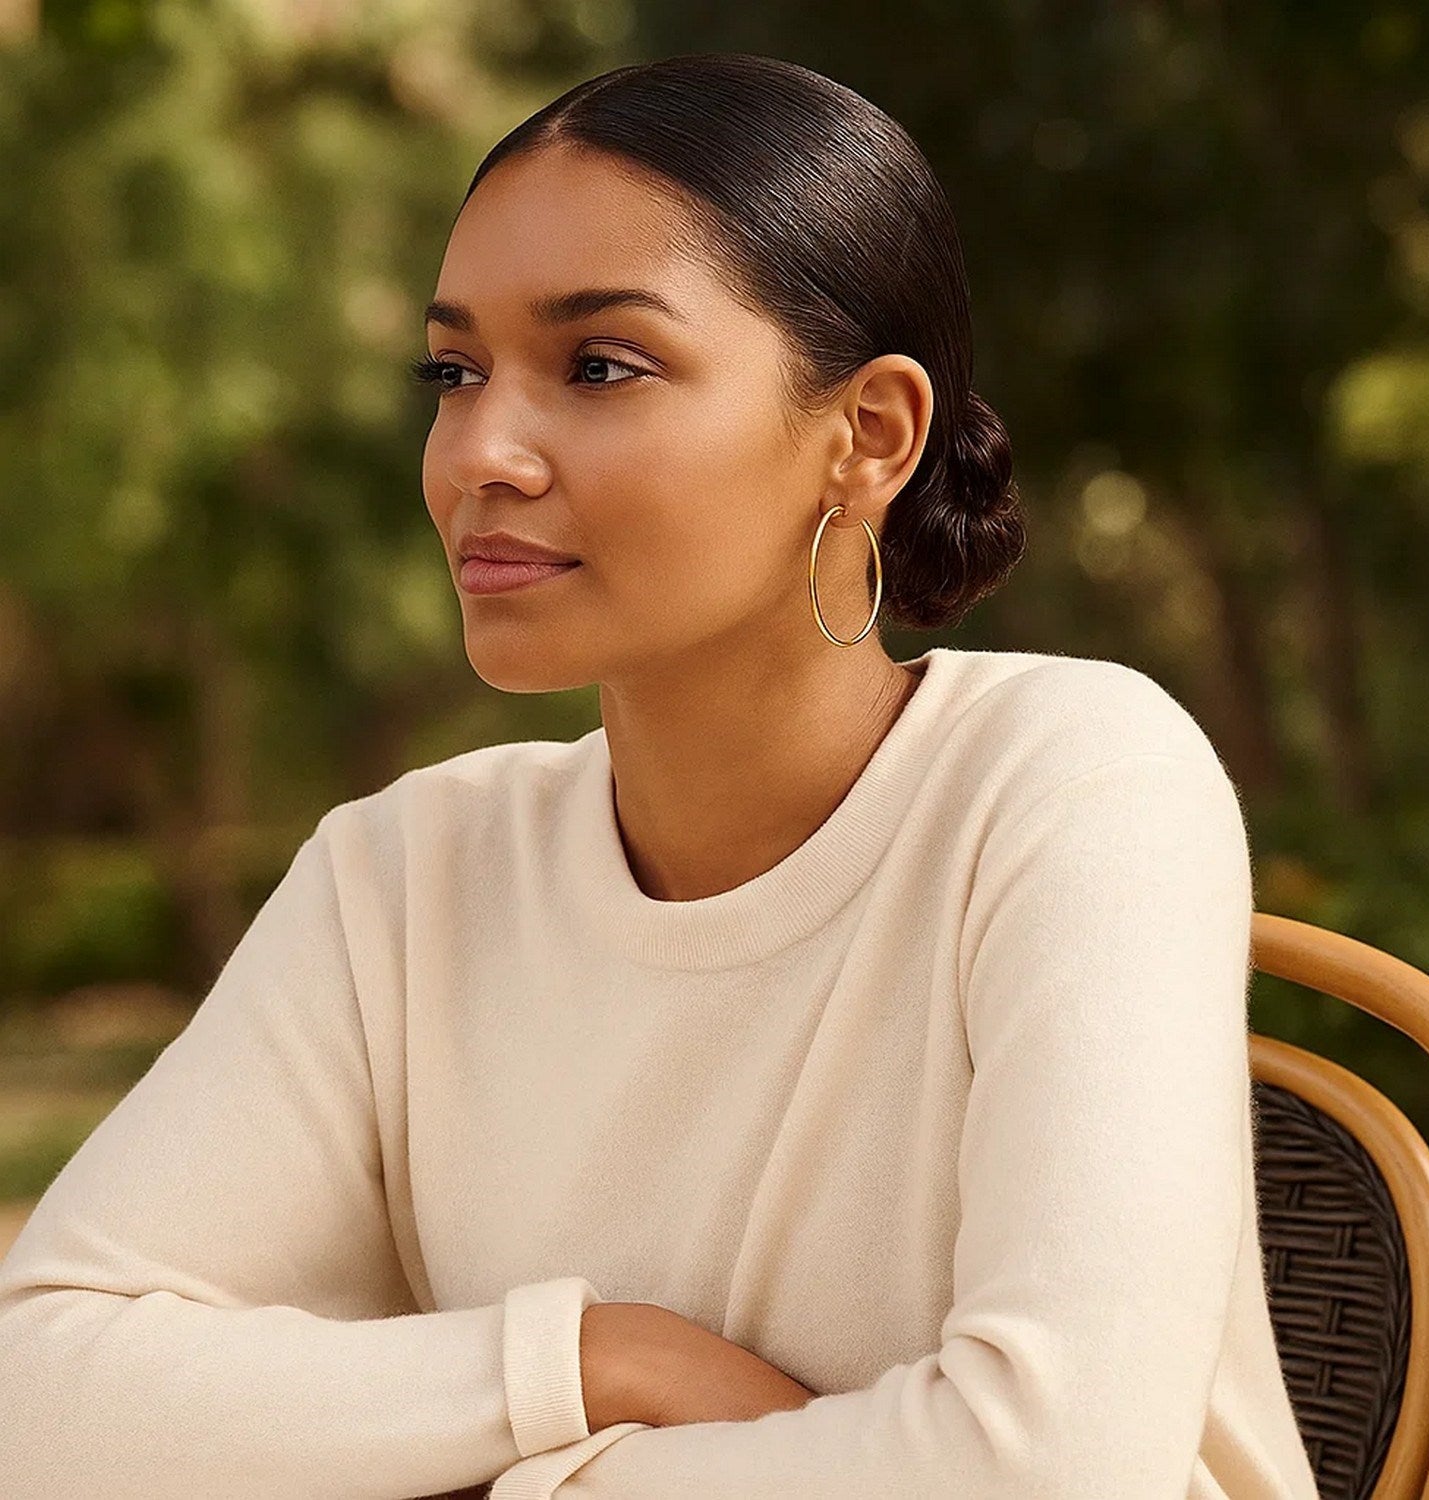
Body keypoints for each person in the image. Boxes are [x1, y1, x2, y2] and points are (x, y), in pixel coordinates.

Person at [0, 51, 1321, 1500]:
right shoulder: (410, 871)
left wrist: (512, 1475)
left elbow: (1054, 1468)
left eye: (601, 366)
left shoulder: (1076, 783)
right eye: (453, 371)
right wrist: (587, 1364)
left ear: (869, 436)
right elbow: (38, 1397)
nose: (480, 453)